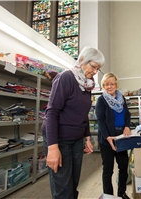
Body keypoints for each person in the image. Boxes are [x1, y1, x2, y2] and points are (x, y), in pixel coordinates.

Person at [42, 46, 105, 199]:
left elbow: (83, 114)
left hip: (76, 139)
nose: (95, 72)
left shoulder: (86, 84)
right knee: (63, 187)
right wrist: (52, 148)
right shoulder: (66, 78)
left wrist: (87, 138)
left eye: (98, 69)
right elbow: (51, 112)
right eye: (94, 66)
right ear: (82, 60)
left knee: (73, 182)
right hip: (60, 139)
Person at [95, 72, 131, 199]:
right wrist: (107, 137)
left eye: (112, 84)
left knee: (123, 167)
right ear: (103, 86)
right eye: (106, 84)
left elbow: (127, 115)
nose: (109, 87)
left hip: (121, 138)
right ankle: (108, 196)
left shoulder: (121, 98)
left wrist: (127, 126)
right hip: (107, 139)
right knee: (108, 170)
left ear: (116, 84)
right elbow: (100, 120)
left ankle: (121, 193)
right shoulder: (101, 100)